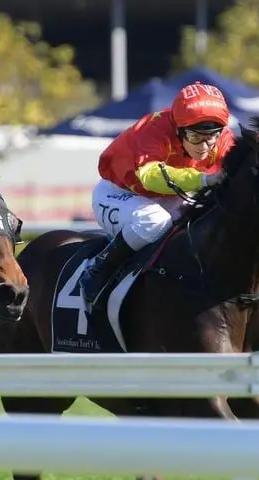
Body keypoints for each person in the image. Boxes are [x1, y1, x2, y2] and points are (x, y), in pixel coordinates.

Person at [78, 81, 234, 309]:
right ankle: (100, 268)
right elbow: (150, 176)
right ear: (179, 129)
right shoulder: (155, 128)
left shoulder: (223, 138)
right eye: (195, 136)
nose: (205, 146)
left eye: (211, 135)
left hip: (170, 195)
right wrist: (201, 179)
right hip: (118, 191)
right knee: (153, 221)